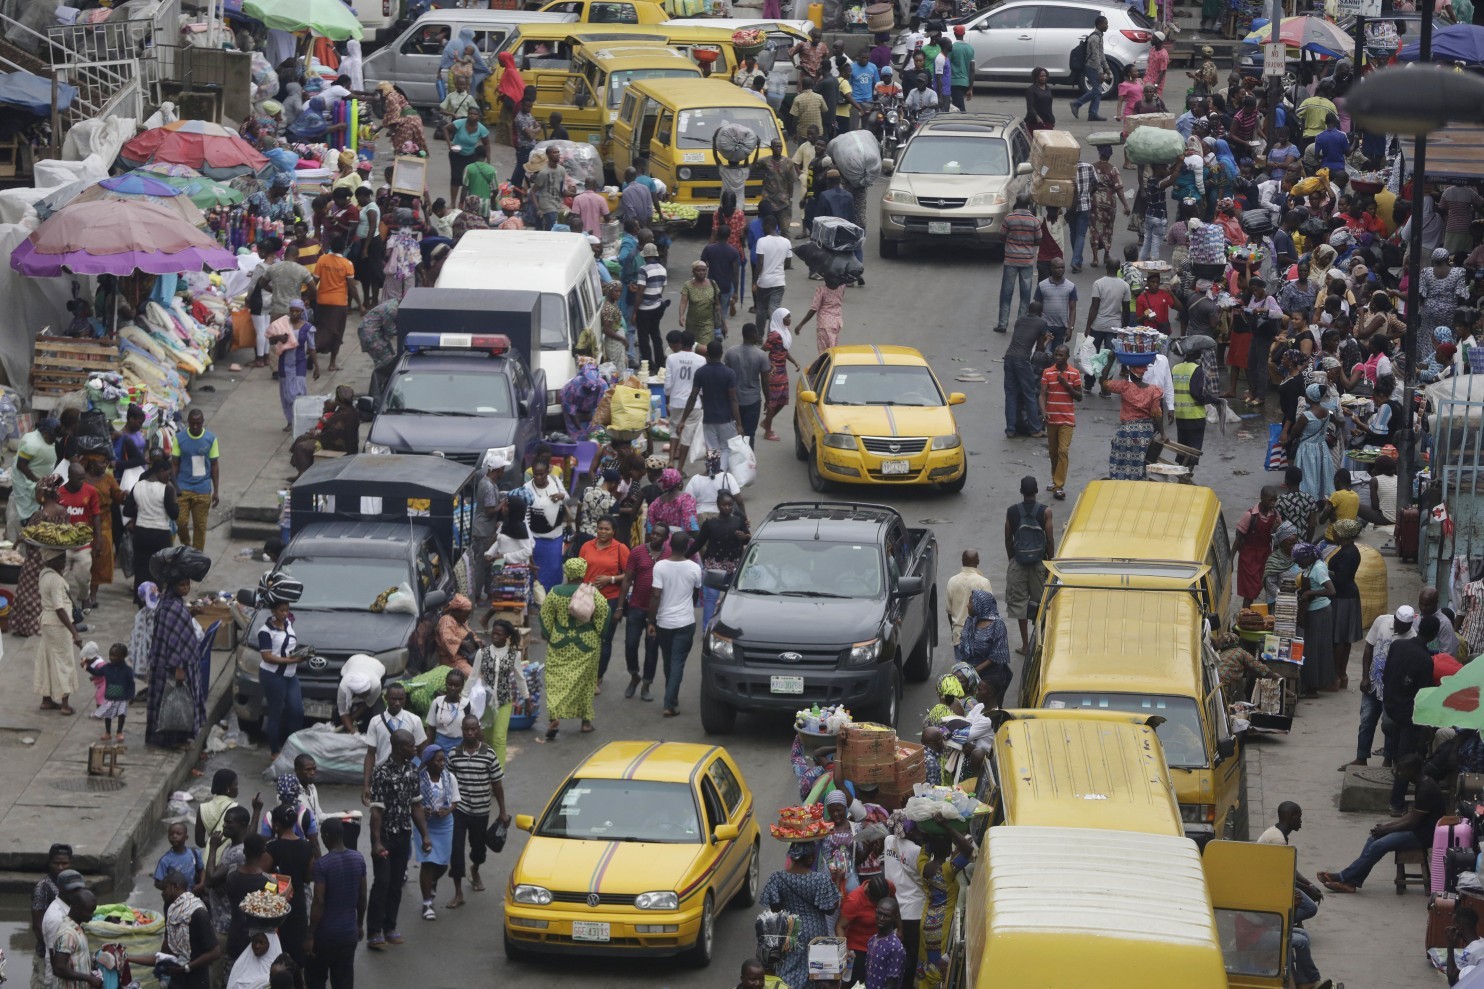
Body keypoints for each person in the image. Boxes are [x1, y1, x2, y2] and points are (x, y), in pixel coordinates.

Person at [1319, 754, 1446, 893]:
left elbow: (1412, 822)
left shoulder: (1426, 789)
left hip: (1423, 835)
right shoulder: (1421, 783)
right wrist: (1386, 827)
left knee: (1380, 845)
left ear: (1413, 770)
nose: (1399, 773)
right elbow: (1412, 815)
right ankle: (1351, 882)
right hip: (1416, 829)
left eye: (1402, 770)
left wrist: (1387, 830)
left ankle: (1343, 877)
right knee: (1373, 839)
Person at [367, 730, 431, 950]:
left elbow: (416, 805)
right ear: (399, 747)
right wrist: (376, 842)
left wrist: (425, 835)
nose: (415, 749)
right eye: (411, 746)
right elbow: (376, 810)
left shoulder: (413, 770)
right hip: (383, 835)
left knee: (396, 884)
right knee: (382, 882)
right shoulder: (381, 772)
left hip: (403, 834)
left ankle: (390, 927)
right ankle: (374, 931)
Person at [540, 558, 608, 740]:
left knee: (555, 680)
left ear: (567, 572)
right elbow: (603, 613)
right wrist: (600, 633)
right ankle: (585, 722)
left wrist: (548, 635)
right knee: (586, 683)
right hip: (586, 643)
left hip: (559, 642)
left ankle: (554, 716)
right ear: (583, 572)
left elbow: (545, 615)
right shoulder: (591, 592)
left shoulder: (555, 592)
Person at [445, 713, 507, 909]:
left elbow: (497, 784)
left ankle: (475, 868)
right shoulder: (454, 754)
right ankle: (458, 892)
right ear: (462, 730)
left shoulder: (488, 754)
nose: (470, 732)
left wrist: (503, 812)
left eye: (474, 729)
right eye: (466, 729)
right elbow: (449, 783)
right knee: (456, 850)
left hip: (481, 811)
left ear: (478, 729)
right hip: (459, 810)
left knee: (479, 850)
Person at [759, 843, 841, 989]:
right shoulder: (819, 879)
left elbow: (774, 907)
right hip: (815, 930)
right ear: (810, 859)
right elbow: (830, 909)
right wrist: (837, 882)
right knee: (817, 971)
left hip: (789, 928)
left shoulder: (777, 878)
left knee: (789, 964)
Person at [144, 574, 206, 750]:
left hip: (171, 663)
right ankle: (173, 740)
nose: (186, 588)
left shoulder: (172, 603)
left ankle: (173, 738)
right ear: (172, 586)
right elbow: (174, 641)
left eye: (187, 584)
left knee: (174, 703)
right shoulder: (172, 607)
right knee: (174, 704)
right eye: (181, 585)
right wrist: (179, 667)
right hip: (173, 666)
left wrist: (192, 613)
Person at [126, 872, 218, 989]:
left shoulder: (197, 913)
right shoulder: (172, 912)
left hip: (196, 981)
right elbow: (164, 955)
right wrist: (127, 957)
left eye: (164, 888)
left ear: (176, 887)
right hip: (176, 980)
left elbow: (215, 951)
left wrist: (187, 967)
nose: (162, 894)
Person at [647, 531, 703, 718]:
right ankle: (670, 703)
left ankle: (671, 698)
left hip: (664, 622)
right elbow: (696, 593)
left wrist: (651, 621)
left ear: (669, 545)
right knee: (677, 663)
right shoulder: (695, 568)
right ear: (687, 546)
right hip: (685, 621)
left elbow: (656, 595)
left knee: (668, 660)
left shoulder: (660, 566)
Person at [305, 816, 364, 989]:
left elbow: (319, 901)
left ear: (327, 836)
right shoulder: (358, 859)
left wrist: (309, 935)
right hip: (348, 933)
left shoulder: (322, 865)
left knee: (315, 978)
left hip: (325, 935)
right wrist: (359, 924)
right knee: (343, 981)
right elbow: (362, 897)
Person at [918, 826, 976, 989]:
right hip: (941, 925)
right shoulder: (947, 870)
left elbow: (926, 847)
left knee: (927, 964)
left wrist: (931, 832)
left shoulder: (923, 867)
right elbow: (968, 848)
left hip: (926, 921)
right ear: (946, 849)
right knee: (940, 969)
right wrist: (945, 825)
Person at [1004, 477, 1052, 655]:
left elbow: (1008, 538)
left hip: (1019, 562)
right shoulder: (1045, 511)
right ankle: (1040, 642)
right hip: (1039, 563)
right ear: (1037, 491)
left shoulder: (1012, 512)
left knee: (1020, 605)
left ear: (1021, 492)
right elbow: (1049, 540)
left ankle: (1025, 645)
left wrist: (1012, 559)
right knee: (1040, 604)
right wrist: (1049, 563)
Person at [578, 517, 629, 683]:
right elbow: (579, 570)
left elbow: (629, 575)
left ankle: (598, 676)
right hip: (586, 599)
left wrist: (610, 579)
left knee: (604, 639)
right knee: (584, 637)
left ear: (614, 531)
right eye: (600, 528)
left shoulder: (620, 548)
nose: (603, 532)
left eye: (607, 529)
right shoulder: (587, 546)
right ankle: (585, 672)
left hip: (610, 600)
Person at [360, 683, 428, 805]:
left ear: (405, 700)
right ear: (386, 698)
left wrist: (417, 774)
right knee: (379, 813)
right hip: (382, 777)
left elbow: (422, 751)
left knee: (405, 813)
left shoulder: (414, 720)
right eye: (393, 699)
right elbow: (370, 754)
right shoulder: (376, 722)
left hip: (407, 777)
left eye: (401, 699)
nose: (397, 703)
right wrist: (366, 785)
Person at [692, 490, 748, 631]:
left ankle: (733, 626)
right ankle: (707, 628)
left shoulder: (738, 521)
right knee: (711, 597)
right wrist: (683, 557)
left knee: (735, 597)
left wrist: (744, 537)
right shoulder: (710, 524)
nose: (727, 508)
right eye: (724, 505)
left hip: (734, 564)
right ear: (718, 505)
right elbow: (699, 543)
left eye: (730, 505)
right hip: (714, 565)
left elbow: (748, 538)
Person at [257, 597, 304, 762]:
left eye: (287, 610)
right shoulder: (265, 631)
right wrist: (292, 661)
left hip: (291, 675)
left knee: (297, 710)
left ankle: (293, 747)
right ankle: (274, 750)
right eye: (281, 610)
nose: (285, 614)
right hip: (273, 676)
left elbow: (290, 644)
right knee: (276, 712)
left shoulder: (288, 623)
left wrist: (301, 654)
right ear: (273, 611)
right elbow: (267, 657)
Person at [35, 549, 80, 716]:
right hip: (57, 625)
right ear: (51, 561)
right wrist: (74, 632)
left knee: (47, 658)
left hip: (46, 622)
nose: (64, 562)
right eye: (60, 559)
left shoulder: (43, 574)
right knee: (64, 662)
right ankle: (65, 704)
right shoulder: (56, 581)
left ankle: (46, 700)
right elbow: (59, 608)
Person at [265, 804, 313, 962]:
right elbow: (308, 876)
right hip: (298, 904)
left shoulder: (272, 848)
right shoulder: (306, 846)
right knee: (296, 955)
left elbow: (262, 876)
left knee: (278, 951)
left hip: (276, 905)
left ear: (277, 825)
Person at [1104, 363, 1165, 479]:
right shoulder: (1153, 390)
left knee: (1119, 463)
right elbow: (1157, 414)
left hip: (1125, 432)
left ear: (1130, 371)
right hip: (1145, 433)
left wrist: (1110, 361)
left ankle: (1118, 481)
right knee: (1140, 463)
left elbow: (1104, 383)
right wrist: (1163, 434)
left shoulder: (1124, 386)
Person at [1038, 343, 1081, 499]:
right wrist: (1043, 411)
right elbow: (1042, 394)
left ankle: (1058, 485)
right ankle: (1055, 479)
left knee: (1063, 451)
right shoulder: (1047, 372)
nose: (1057, 357)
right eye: (1056, 354)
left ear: (1067, 357)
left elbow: (1079, 396)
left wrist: (1066, 385)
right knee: (1053, 452)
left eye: (1061, 355)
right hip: (1052, 418)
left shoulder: (1074, 373)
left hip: (1067, 419)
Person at [994, 197, 1041, 334]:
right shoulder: (1034, 220)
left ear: (1017, 203)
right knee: (1025, 295)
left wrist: (1011, 241)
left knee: (1006, 293)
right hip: (1026, 261)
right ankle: (1021, 325)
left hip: (1011, 260)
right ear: (1027, 205)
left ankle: (1002, 324)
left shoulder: (1009, 218)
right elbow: (1039, 240)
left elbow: (1001, 236)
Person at [1003, 301, 1049, 440]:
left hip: (1009, 357)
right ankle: (1035, 429)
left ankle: (1010, 429)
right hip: (1022, 360)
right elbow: (1039, 350)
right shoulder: (1042, 323)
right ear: (1041, 312)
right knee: (1029, 393)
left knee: (1010, 394)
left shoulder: (1020, 320)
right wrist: (1046, 341)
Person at [760, 308, 802, 443]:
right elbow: (762, 351)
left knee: (782, 400)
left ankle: (767, 421)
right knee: (773, 402)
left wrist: (794, 361)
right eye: (787, 318)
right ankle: (768, 430)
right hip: (773, 372)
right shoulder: (774, 335)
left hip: (782, 370)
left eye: (789, 317)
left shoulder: (785, 332)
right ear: (780, 319)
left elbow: (784, 351)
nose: (789, 320)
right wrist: (769, 364)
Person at [724, 324, 770, 446]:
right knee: (749, 435)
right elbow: (765, 382)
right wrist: (768, 400)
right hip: (753, 401)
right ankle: (747, 462)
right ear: (754, 335)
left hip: (733, 400)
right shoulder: (761, 355)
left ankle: (732, 460)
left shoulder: (730, 353)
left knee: (732, 434)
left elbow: (726, 378)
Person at [1234, 487, 1279, 608]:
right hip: (1249, 556)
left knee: (1266, 585)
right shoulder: (1250, 515)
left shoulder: (1275, 515)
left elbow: (1279, 533)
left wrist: (1276, 529)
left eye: (1275, 500)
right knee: (1250, 591)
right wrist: (1231, 559)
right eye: (1270, 500)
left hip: (1265, 555)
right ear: (1262, 499)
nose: (1273, 503)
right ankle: (1245, 617)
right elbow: (1238, 537)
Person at [1068, 16, 1110, 121]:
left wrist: (1107, 68)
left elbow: (1101, 54)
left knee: (1098, 90)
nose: (1107, 26)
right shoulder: (1094, 38)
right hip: (1091, 66)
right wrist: (1101, 72)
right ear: (1099, 24)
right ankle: (1076, 103)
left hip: (1094, 66)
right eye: (1105, 24)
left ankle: (1092, 114)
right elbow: (1096, 56)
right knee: (1097, 90)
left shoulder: (1099, 36)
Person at [754, 216, 793, 329]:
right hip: (779, 282)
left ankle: (759, 337)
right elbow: (788, 264)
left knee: (761, 309)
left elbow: (760, 264)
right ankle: (773, 338)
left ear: (766, 226)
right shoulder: (786, 242)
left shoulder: (761, 241)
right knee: (775, 311)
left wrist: (755, 281)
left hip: (764, 282)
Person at [797, 275, 847, 352]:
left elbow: (813, 309)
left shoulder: (821, 290)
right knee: (833, 349)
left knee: (824, 352)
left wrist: (801, 324)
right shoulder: (842, 287)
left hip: (824, 324)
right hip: (837, 323)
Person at [154, 822, 204, 892]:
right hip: (176, 898)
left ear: (186, 837)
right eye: (171, 834)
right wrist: (172, 889)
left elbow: (201, 870)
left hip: (194, 893)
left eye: (178, 833)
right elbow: (157, 882)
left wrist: (201, 884)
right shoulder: (165, 860)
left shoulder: (194, 853)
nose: (174, 836)